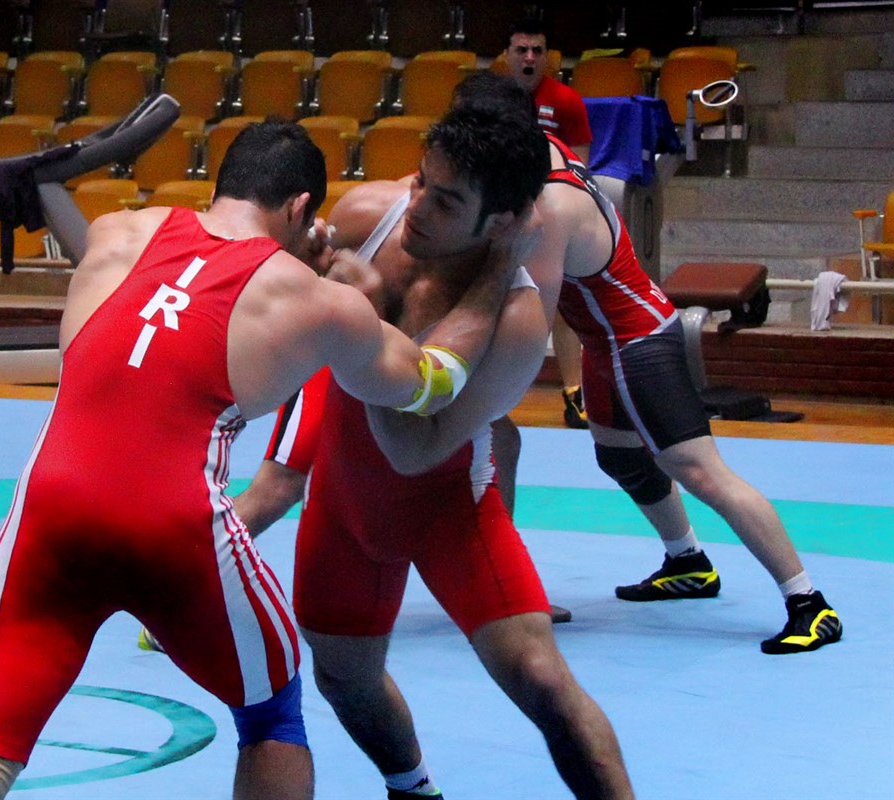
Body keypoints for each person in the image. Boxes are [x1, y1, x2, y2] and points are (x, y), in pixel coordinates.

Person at [0, 120, 513, 800]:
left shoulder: (116, 232)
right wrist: (499, 272)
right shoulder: (317, 301)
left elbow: (176, 300)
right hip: (176, 534)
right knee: (271, 717)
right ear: (301, 208)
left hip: (49, 515)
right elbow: (431, 383)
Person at [293, 107, 633, 799]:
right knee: (344, 677)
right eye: (421, 181)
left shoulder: (517, 319)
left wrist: (367, 320)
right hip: (344, 500)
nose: (417, 207)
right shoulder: (368, 217)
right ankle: (414, 790)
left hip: (448, 510)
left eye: (446, 202)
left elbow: (412, 449)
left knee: (541, 678)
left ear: (502, 222)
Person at [454, 72, 842, 656]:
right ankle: (688, 561)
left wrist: (477, 379)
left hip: (637, 342)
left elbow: (535, 317)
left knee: (701, 471)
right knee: (619, 456)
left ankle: (809, 602)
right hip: (608, 341)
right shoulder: (541, 152)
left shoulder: (551, 204)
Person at [504, 16, 592, 430]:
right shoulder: (495, 101)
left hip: (551, 218)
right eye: (521, 50)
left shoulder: (567, 102)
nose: (529, 58)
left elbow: (580, 169)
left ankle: (574, 394)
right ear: (508, 55)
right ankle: (491, 396)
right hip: (504, 217)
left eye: (536, 51)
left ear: (547, 58)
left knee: (562, 305)